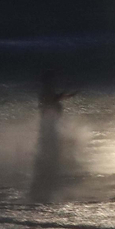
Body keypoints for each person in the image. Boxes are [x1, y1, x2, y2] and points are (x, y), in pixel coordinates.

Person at [31, 72, 77, 200]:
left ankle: (49, 174)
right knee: (50, 146)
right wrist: (65, 95)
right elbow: (52, 100)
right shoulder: (46, 92)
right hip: (49, 127)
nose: (52, 84)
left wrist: (66, 95)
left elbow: (54, 99)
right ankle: (47, 177)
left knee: (51, 145)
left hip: (50, 125)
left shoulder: (47, 92)